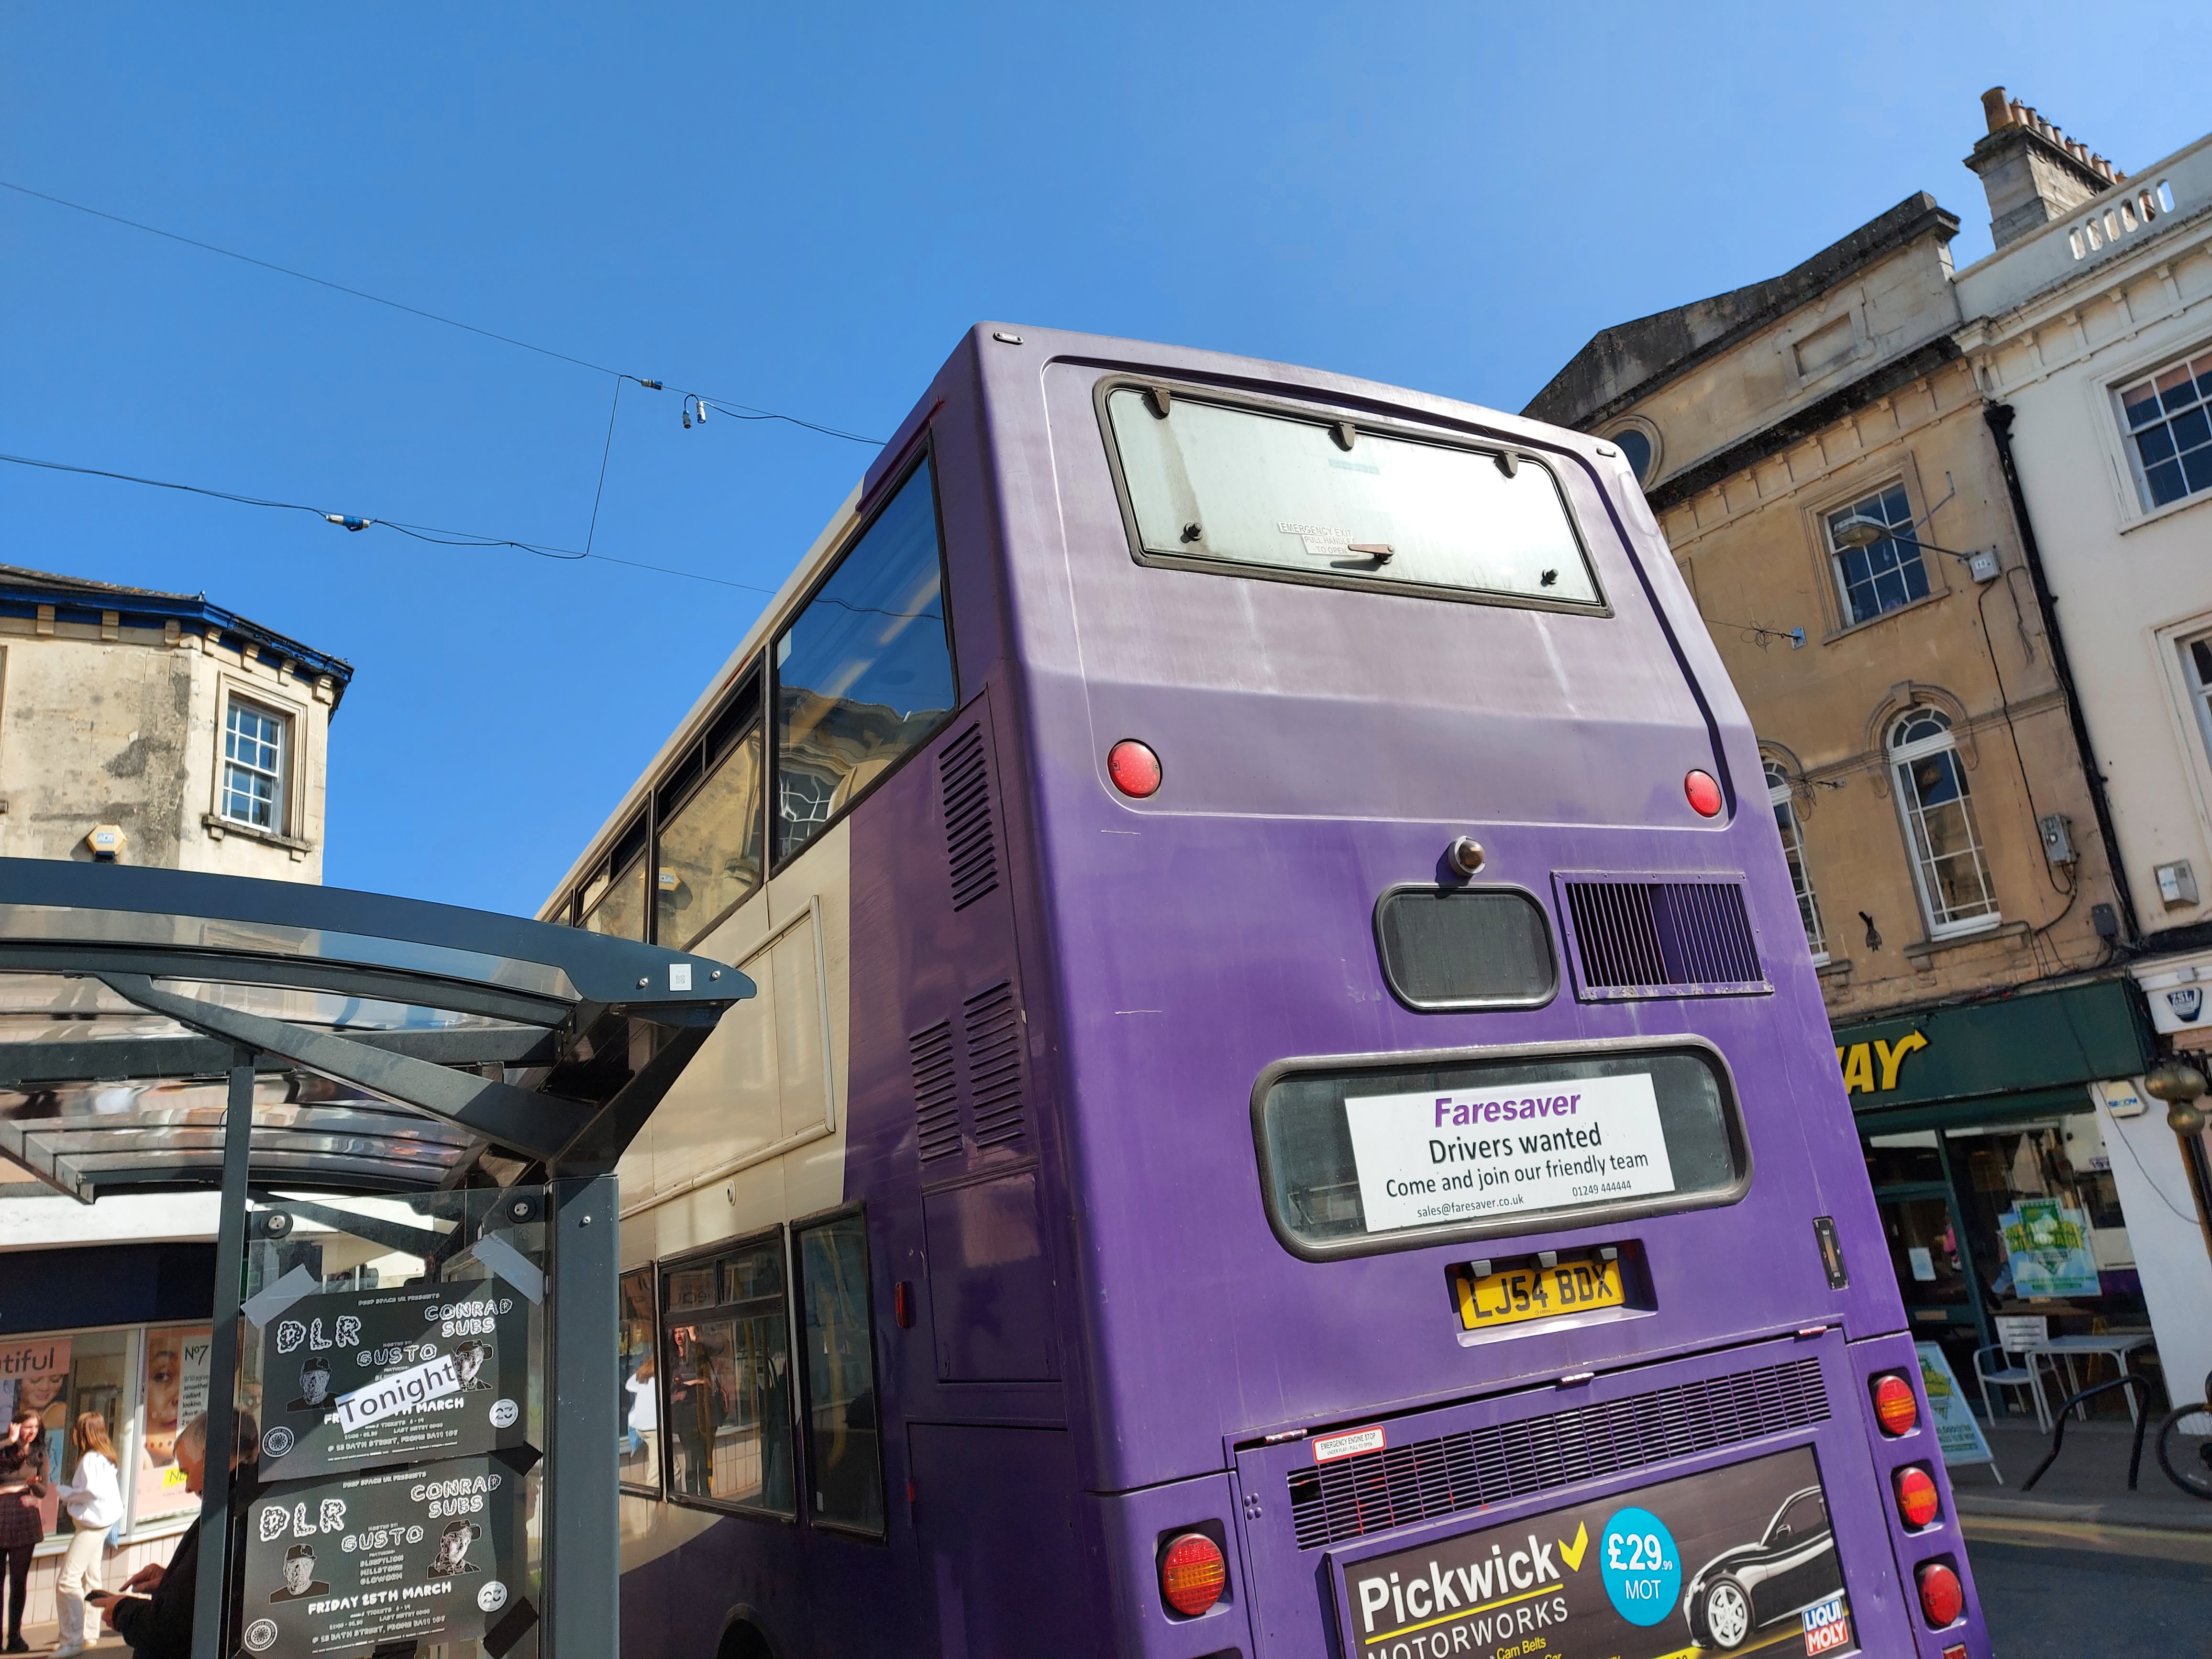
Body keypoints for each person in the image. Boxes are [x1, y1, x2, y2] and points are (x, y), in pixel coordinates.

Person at [90, 1409, 257, 1659]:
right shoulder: (244, 1501)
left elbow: (175, 1627)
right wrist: (172, 1579)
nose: (188, 1487)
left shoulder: (230, 1515)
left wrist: (123, 1611)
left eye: (186, 1472)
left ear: (208, 1457)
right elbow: (207, 1590)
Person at [51, 1413, 123, 1658]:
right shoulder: (106, 1456)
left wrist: (63, 1492)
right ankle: (90, 1634)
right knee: (92, 1578)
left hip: (91, 1526)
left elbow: (89, 1491)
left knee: (67, 1581)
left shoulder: (90, 1459)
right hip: (101, 1523)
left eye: (76, 1429)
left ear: (83, 1433)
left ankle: (71, 1641)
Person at [0, 1407, 50, 1655]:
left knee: (19, 1582)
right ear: (16, 1425)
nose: (31, 1432)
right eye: (27, 1426)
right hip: (1, 1514)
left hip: (24, 1515)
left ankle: (15, 1636)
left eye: (35, 1427)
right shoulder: (5, 1445)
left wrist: (33, 1487)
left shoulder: (40, 1452)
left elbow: (44, 1491)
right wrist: (9, 1442)